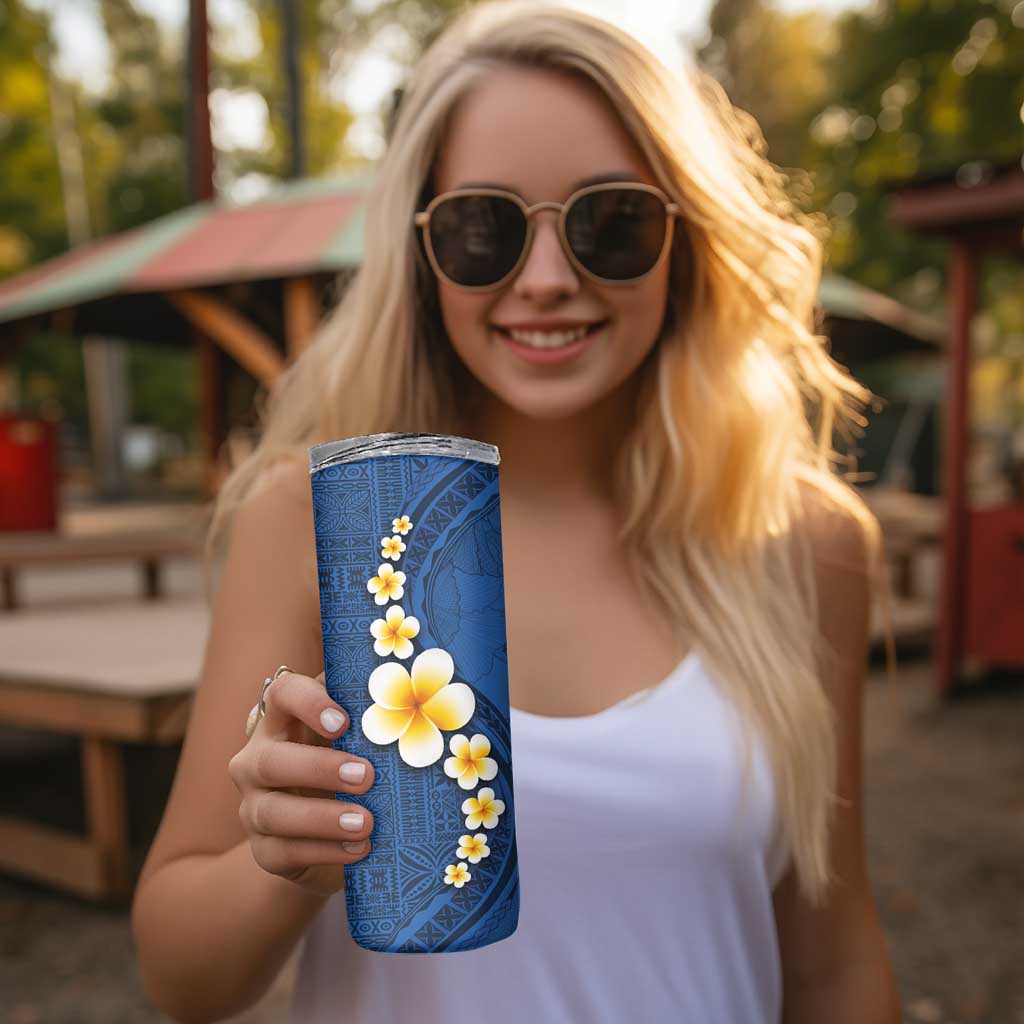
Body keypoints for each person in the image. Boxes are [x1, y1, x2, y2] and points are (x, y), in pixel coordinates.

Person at [131, 2, 902, 1021]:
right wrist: (282, 857)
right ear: (420, 250)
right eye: (483, 227)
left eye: (611, 222)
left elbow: (833, 960)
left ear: (687, 242)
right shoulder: (317, 522)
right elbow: (180, 976)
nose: (546, 280)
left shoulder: (804, 542)